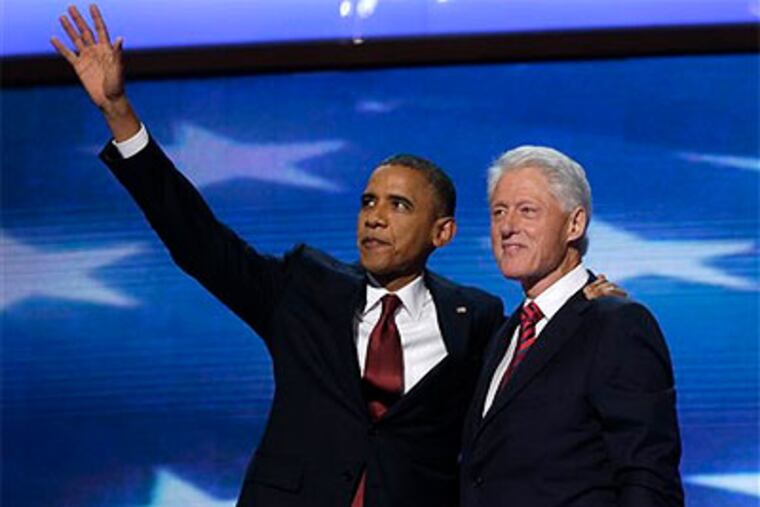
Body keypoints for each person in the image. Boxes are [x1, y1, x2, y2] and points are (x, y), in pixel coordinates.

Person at [52, 7, 622, 506]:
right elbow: (198, 240)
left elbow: (539, 383)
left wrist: (585, 301)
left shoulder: (476, 320)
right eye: (368, 201)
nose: (375, 216)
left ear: (442, 231)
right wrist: (120, 114)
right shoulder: (306, 288)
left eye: (399, 205)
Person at [460, 146, 684, 507]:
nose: (507, 227)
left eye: (527, 211)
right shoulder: (506, 334)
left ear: (574, 224)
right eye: (498, 212)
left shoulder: (617, 325)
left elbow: (647, 476)